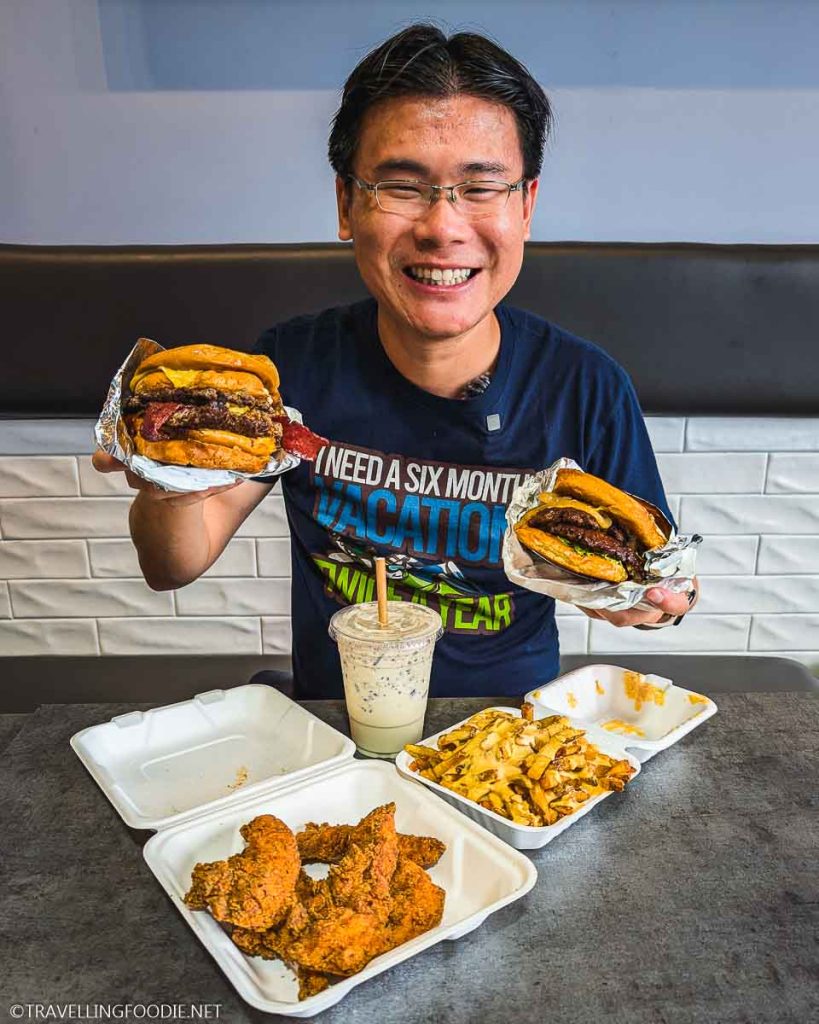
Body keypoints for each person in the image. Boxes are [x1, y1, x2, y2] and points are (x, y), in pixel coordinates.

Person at [93, 24, 698, 699]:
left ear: (525, 206)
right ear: (346, 204)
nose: (441, 227)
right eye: (401, 186)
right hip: (336, 726)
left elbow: (643, 570)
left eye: (480, 187)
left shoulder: (584, 385)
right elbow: (172, 566)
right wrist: (169, 481)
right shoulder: (290, 367)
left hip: (505, 733)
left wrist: (648, 601)